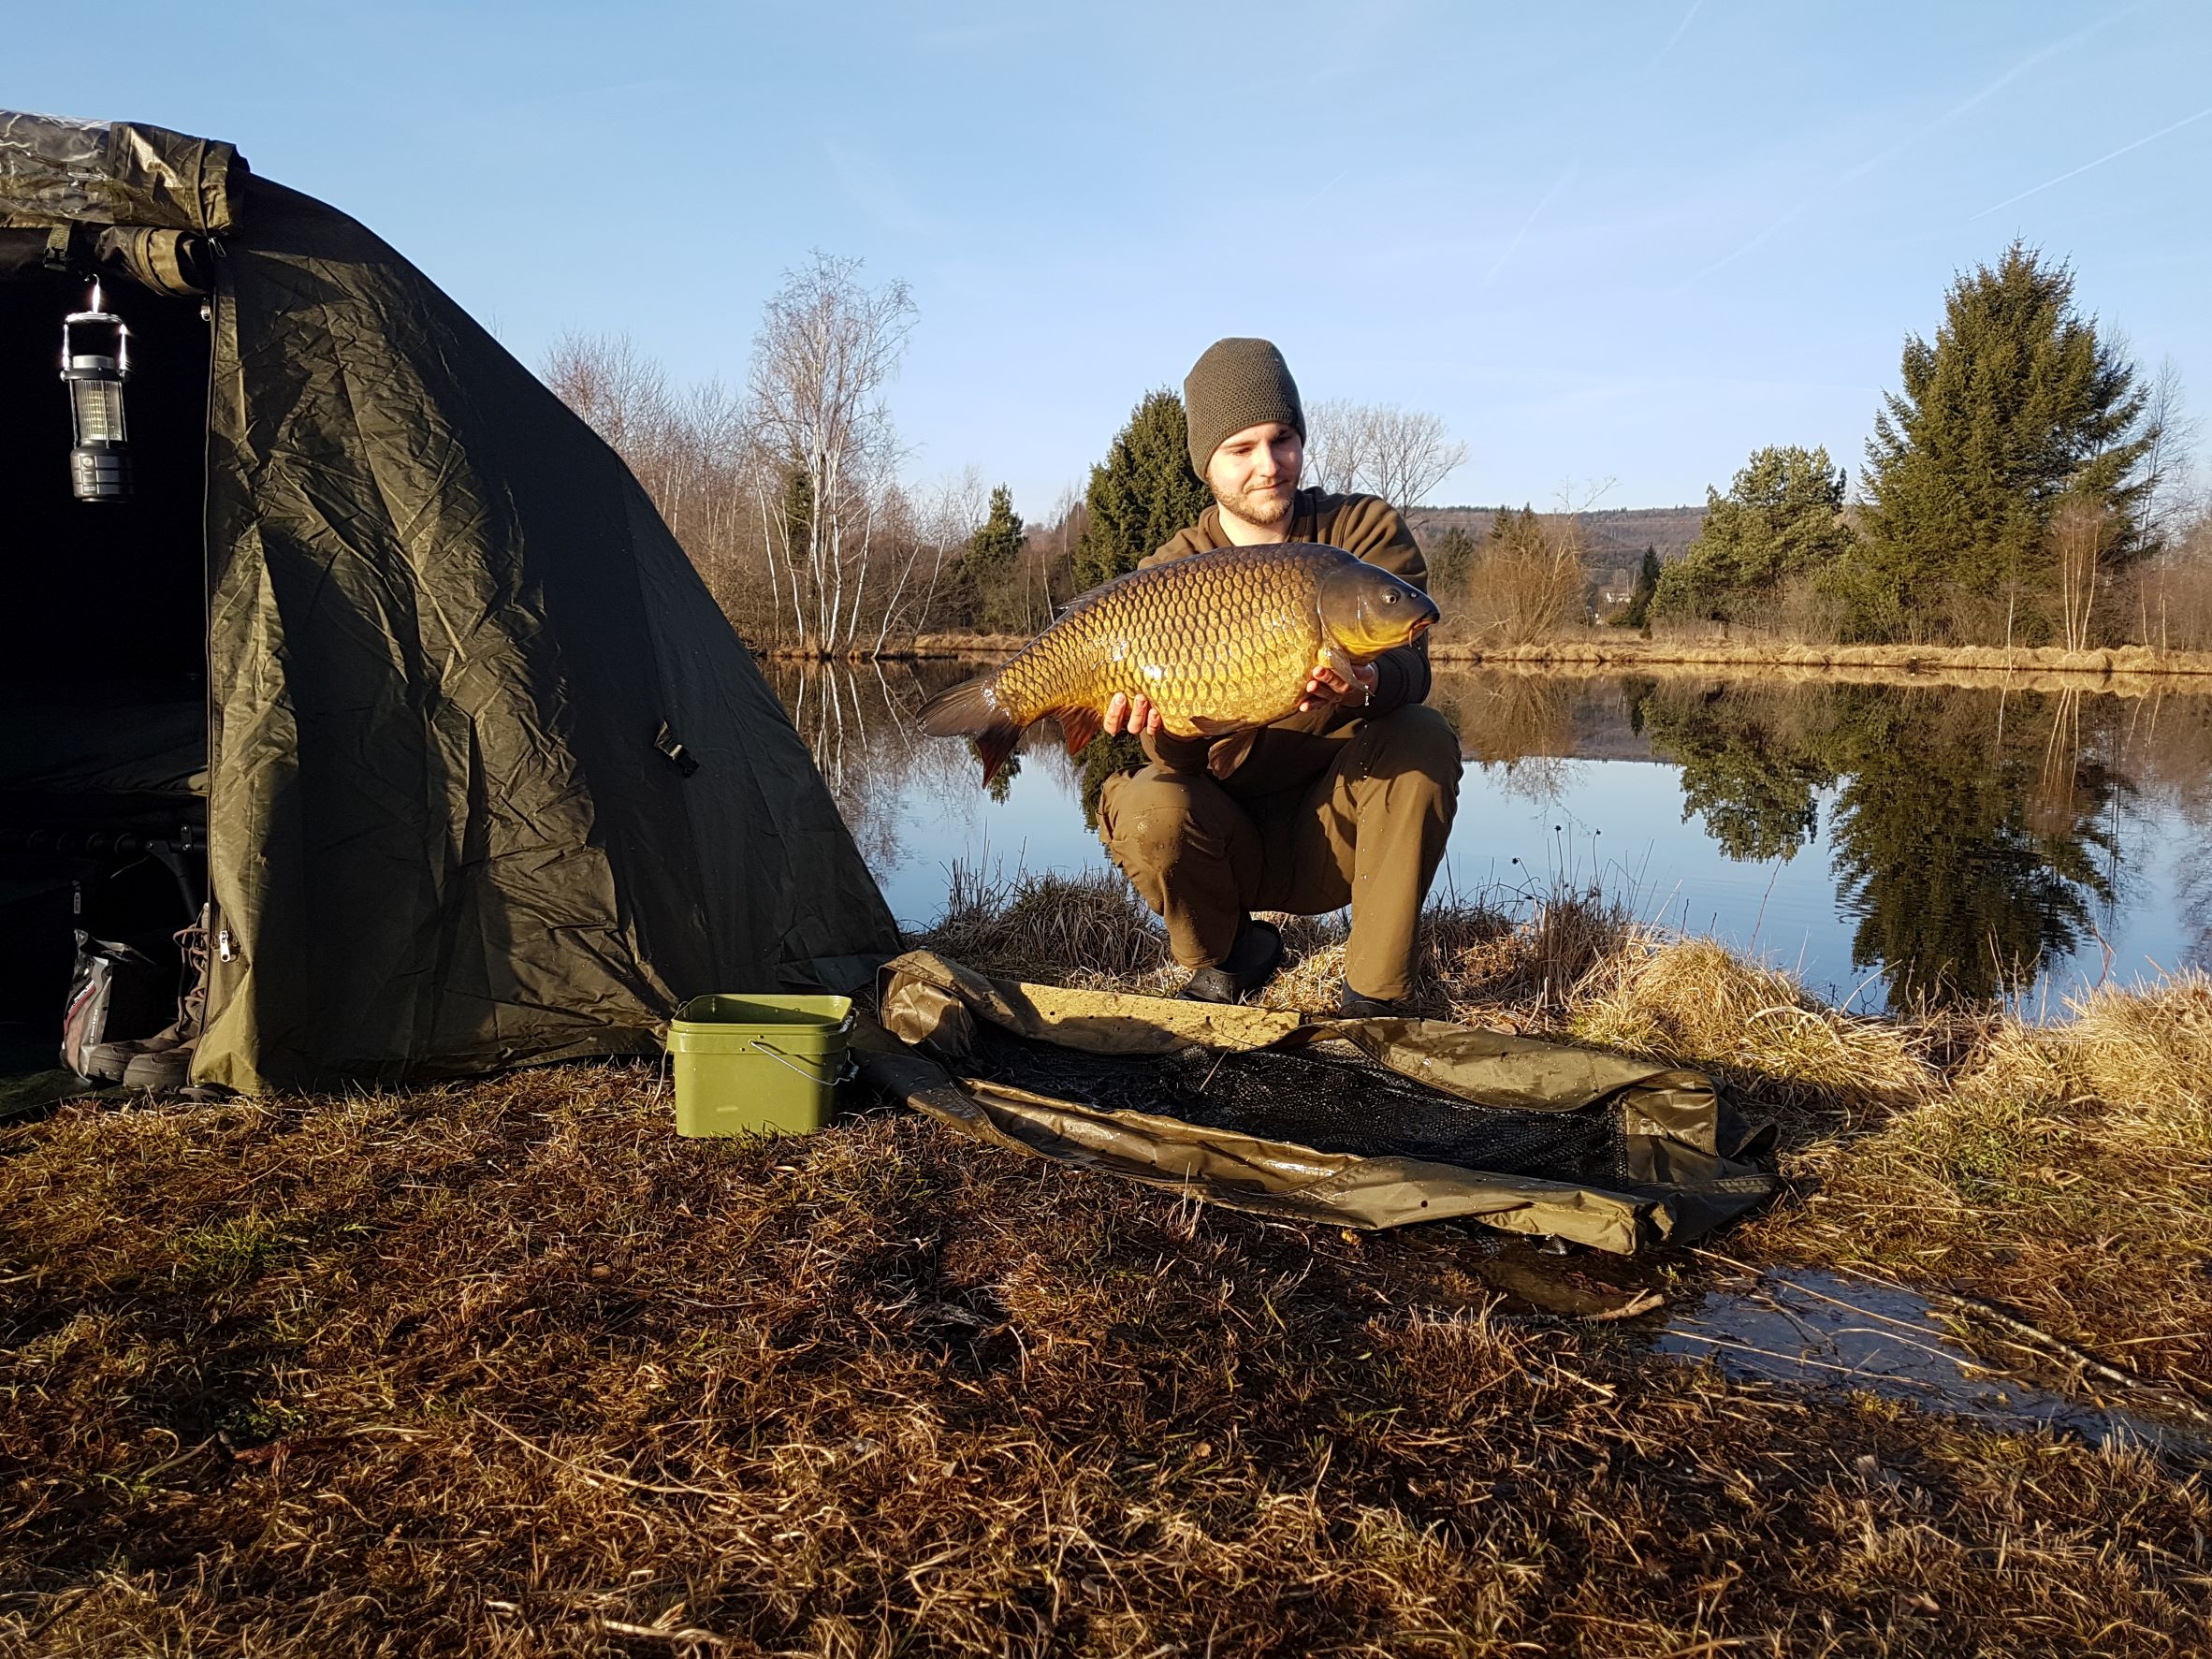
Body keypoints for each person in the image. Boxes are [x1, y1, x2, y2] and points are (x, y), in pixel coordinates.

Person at [1095, 337, 1461, 1015]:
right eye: (1241, 448)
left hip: (1338, 827)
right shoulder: (1167, 577)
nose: (1269, 465)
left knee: (1424, 737)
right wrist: (1164, 727)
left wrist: (1370, 684)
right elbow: (1169, 760)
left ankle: (1376, 1001)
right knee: (1151, 804)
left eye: (1283, 439)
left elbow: (1413, 663)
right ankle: (1228, 955)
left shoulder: (1362, 531)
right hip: (1224, 839)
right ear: (1207, 463)